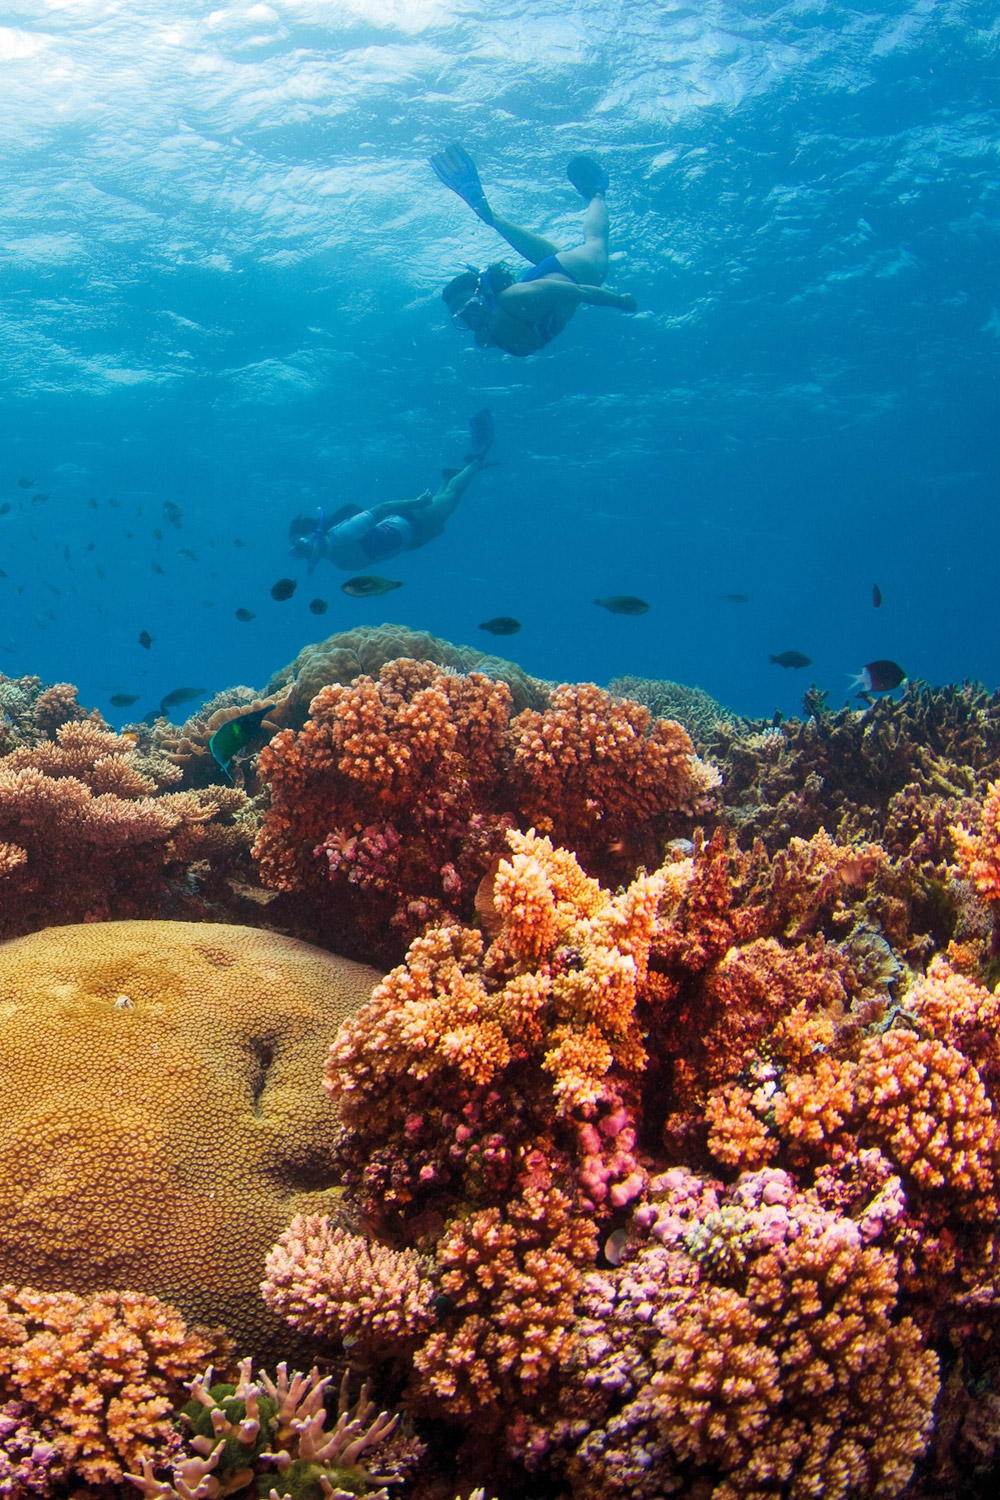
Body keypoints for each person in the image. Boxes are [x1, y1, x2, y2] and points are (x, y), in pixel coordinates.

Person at [432, 146, 637, 357]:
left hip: (574, 274)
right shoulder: (486, 337)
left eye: (473, 307)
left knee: (595, 242)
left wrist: (620, 301)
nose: (471, 319)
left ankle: (597, 193)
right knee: (548, 253)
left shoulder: (517, 298)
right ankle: (490, 216)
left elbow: (582, 292)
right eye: (462, 317)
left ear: (486, 295)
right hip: (543, 277)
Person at [289, 410, 494, 572]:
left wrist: (418, 503)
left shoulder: (341, 534)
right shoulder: (340, 562)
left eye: (301, 543)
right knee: (441, 518)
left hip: (410, 519)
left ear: (313, 533)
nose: (303, 551)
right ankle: (448, 476)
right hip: (409, 535)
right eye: (299, 551)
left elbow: (382, 508)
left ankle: (476, 462)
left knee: (450, 499)